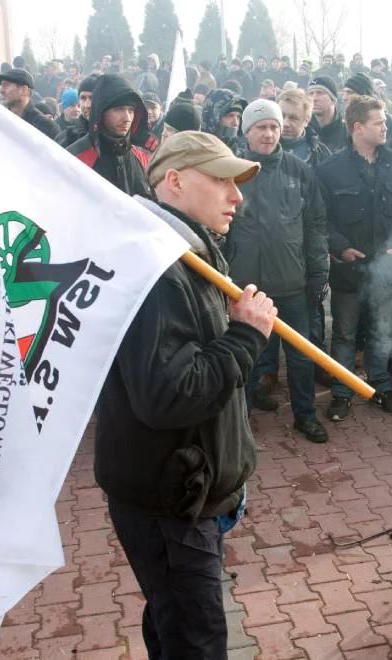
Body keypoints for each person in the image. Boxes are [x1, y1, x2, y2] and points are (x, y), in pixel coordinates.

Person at [97, 131, 271, 657]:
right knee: (195, 641)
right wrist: (245, 335)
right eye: (221, 180)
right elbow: (169, 394)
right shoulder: (157, 269)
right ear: (173, 181)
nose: (236, 195)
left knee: (173, 621)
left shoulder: (188, 249)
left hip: (186, 491)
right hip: (171, 504)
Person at [224, 100, 330, 444]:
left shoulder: (300, 172)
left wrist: (317, 276)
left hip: (291, 282)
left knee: (301, 357)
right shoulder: (232, 170)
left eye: (273, 126)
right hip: (247, 288)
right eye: (261, 127)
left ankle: (305, 415)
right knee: (245, 355)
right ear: (247, 131)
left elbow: (315, 227)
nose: (269, 133)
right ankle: (241, 418)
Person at [316, 95, 392, 420]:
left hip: (387, 269)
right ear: (357, 127)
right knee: (345, 334)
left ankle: (381, 388)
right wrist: (340, 246)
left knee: (381, 332)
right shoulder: (330, 170)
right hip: (349, 268)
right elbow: (321, 218)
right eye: (379, 122)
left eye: (385, 121)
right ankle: (343, 393)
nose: (385, 127)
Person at [67, 74, 152, 196]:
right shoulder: (77, 158)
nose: (127, 118)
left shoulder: (140, 157)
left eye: (131, 110)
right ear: (101, 111)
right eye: (118, 109)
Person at [0, 68, 60, 141]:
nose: (1, 90)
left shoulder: (46, 127)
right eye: (1, 85)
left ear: (24, 90)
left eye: (6, 85)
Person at [277, 89, 331, 167]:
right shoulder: (261, 148)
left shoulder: (321, 154)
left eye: (293, 118)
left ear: (306, 120)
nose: (285, 124)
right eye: (282, 116)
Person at [307, 76, 347, 152]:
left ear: (333, 99)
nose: (314, 98)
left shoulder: (348, 133)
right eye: (311, 93)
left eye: (320, 93)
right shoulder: (303, 130)